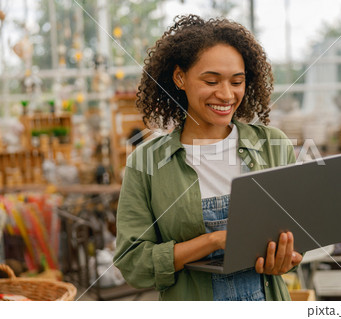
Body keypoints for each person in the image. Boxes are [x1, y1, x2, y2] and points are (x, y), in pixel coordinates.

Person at [113, 14, 302, 301]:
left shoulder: (273, 145)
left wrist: (286, 256)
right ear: (180, 78)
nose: (226, 94)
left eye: (237, 81)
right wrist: (213, 240)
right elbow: (132, 263)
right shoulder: (145, 162)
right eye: (211, 80)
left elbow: (296, 233)